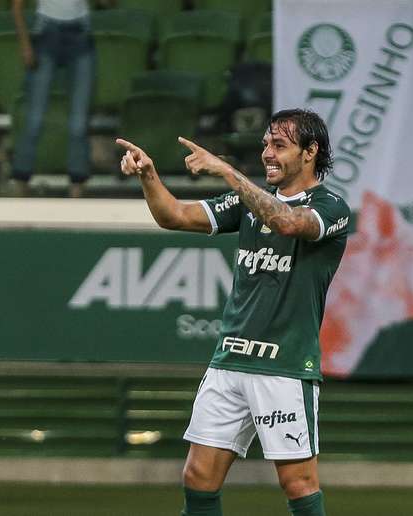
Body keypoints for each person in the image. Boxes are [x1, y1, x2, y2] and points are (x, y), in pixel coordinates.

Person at [117, 109, 350, 516]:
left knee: (298, 484)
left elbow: (289, 224)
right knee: (197, 477)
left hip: (285, 366)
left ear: (310, 152)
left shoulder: (331, 207)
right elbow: (173, 216)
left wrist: (225, 170)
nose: (268, 154)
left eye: (280, 145)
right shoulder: (247, 202)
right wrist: (148, 175)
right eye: (265, 145)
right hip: (231, 361)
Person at [11, 0, 96, 198]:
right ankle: (20, 181)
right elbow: (16, 7)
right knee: (35, 117)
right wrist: (25, 45)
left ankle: (77, 188)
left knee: (78, 122)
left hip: (81, 32)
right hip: (46, 32)